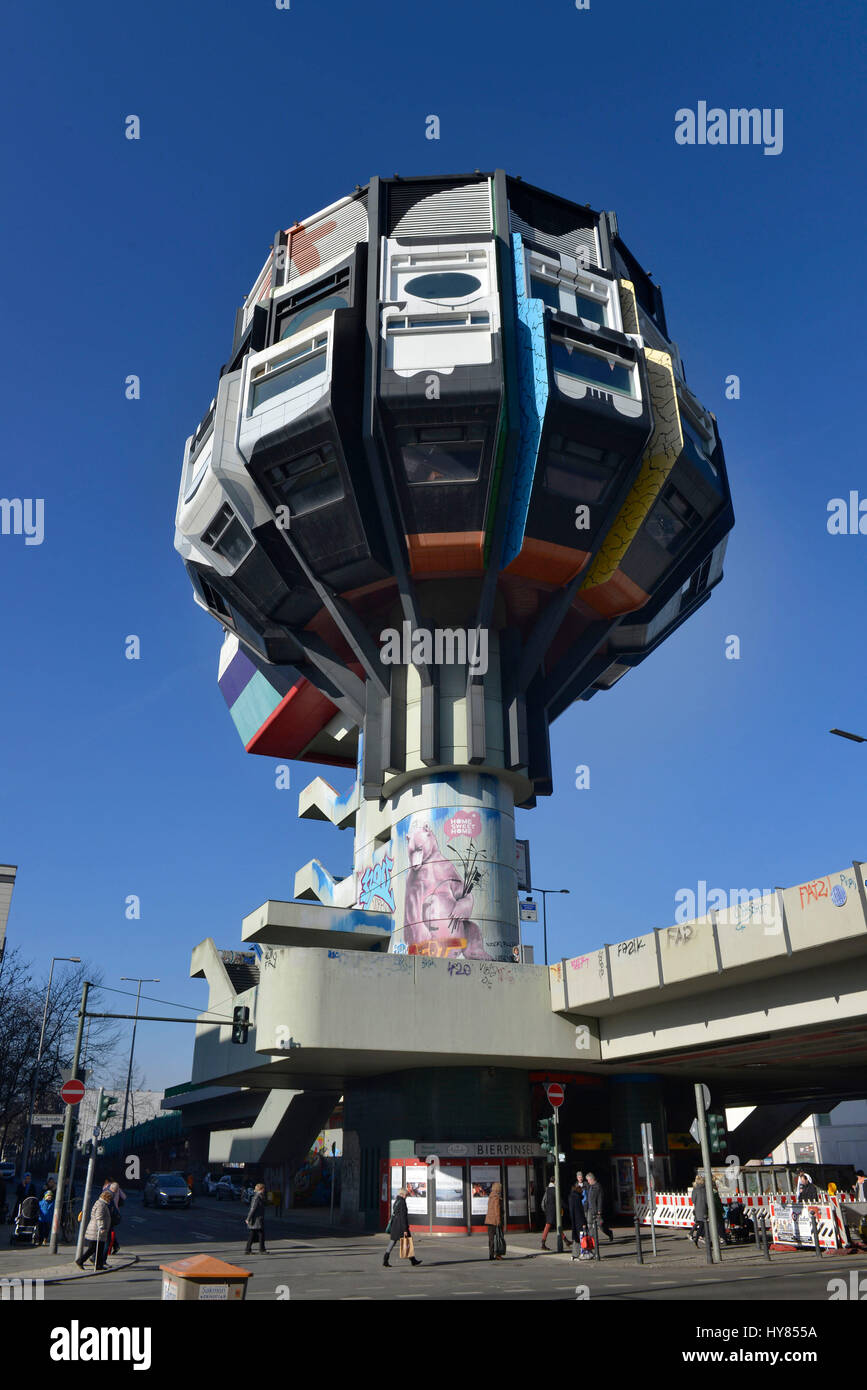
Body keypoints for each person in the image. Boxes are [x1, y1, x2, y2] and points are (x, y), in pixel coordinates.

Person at [383, 1187, 421, 1267]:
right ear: (402, 1194)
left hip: (395, 1225)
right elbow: (403, 1217)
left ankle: (385, 1259)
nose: (406, 1196)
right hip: (401, 1226)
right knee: (407, 1242)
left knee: (392, 1242)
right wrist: (405, 1229)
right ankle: (413, 1260)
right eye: (406, 1194)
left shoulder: (396, 1201)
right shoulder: (402, 1202)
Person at [76, 1191, 112, 1270]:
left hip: (96, 1229)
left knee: (99, 1248)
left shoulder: (101, 1203)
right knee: (93, 1248)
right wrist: (101, 1227)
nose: (110, 1200)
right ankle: (80, 1261)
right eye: (109, 1198)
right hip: (96, 1230)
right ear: (106, 1198)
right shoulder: (101, 1205)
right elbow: (99, 1216)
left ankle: (98, 1265)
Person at [585, 1172, 614, 1243]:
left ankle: (609, 1233)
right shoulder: (590, 1187)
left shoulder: (598, 1187)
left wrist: (599, 1210)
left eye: (588, 1180)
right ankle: (592, 1240)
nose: (588, 1181)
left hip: (596, 1209)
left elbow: (600, 1199)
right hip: (590, 1209)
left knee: (600, 1226)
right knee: (589, 1224)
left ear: (592, 1179)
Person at [244, 1182, 269, 1254]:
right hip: (256, 1219)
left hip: (258, 1218)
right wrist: (248, 1218)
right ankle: (261, 1250)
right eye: (264, 1189)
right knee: (260, 1234)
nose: (265, 1190)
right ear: (261, 1189)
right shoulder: (256, 1197)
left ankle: (248, 1249)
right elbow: (252, 1208)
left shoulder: (260, 1196)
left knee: (254, 1234)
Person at [568, 1180, 589, 1259]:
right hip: (579, 1221)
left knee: (576, 1238)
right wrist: (583, 1222)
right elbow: (580, 1212)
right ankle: (582, 1253)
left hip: (574, 1221)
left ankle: (574, 1254)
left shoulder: (571, 1197)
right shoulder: (577, 1199)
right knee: (582, 1238)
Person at [485, 1182, 504, 1260]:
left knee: (491, 1239)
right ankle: (498, 1254)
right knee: (498, 1238)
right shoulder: (497, 1198)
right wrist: (499, 1221)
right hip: (495, 1221)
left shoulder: (490, 1197)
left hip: (489, 1221)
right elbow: (497, 1210)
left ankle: (491, 1254)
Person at [540, 1179, 558, 1250]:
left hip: (548, 1210)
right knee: (548, 1226)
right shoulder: (554, 1189)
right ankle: (543, 1243)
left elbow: (544, 1200)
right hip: (552, 1210)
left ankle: (566, 1240)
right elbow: (558, 1199)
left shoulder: (547, 1189)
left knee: (556, 1225)